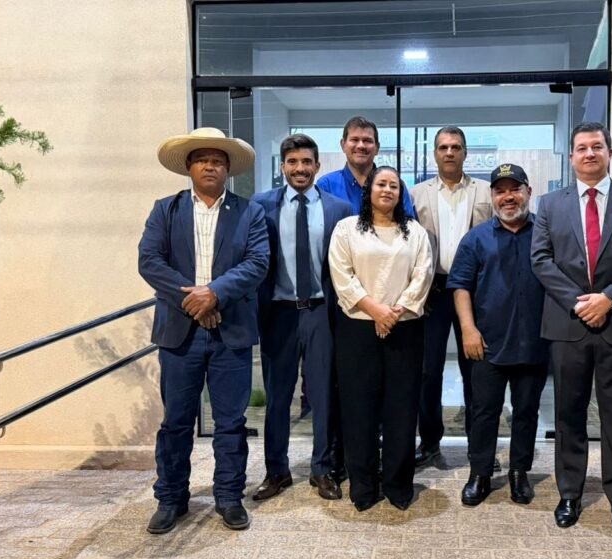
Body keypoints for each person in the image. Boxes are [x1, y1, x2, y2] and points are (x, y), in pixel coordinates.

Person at [531, 122, 612, 536]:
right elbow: (541, 260)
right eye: (582, 148)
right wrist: (580, 303)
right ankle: (570, 493)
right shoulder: (550, 204)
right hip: (568, 325)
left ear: (609, 152)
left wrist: (609, 299)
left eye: (597, 146)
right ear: (571, 157)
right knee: (568, 414)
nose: (590, 153)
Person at [138, 127, 269, 534]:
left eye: (217, 160)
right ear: (189, 167)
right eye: (202, 160)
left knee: (231, 421)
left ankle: (229, 497)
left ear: (227, 169)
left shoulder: (249, 212)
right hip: (179, 335)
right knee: (176, 421)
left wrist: (214, 294)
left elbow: (257, 263)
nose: (210, 166)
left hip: (231, 332)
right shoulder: (166, 210)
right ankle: (171, 498)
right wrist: (194, 302)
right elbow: (149, 261)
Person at [251, 134, 353, 502]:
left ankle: (322, 468)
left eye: (306, 162)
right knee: (278, 396)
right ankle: (276, 470)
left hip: (321, 311)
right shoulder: (260, 206)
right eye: (292, 162)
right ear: (282, 167)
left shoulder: (339, 209)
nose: (300, 168)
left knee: (322, 395)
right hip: (277, 312)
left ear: (317, 166)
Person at [328, 166, 433, 512]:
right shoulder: (347, 229)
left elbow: (423, 274)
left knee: (401, 408)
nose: (387, 190)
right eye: (381, 184)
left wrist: (395, 312)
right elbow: (342, 275)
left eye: (394, 186)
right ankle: (363, 485)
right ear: (369, 190)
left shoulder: (414, 232)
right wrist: (376, 310)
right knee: (358, 408)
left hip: (405, 327)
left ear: (401, 194)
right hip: (358, 328)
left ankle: (398, 484)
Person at [448, 164, 548, 506]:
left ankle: (519, 472)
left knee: (526, 411)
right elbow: (460, 286)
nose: (508, 197)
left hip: (534, 342)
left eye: (514, 189)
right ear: (492, 196)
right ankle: (480, 473)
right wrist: (468, 329)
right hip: (487, 344)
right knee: (484, 411)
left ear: (528, 192)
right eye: (500, 190)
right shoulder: (476, 239)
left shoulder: (546, 234)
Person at [410, 126, 493, 468]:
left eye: (455, 147)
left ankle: (480, 445)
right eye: (443, 147)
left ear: (465, 152)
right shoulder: (416, 194)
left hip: (475, 290)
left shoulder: (485, 191)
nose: (449, 152)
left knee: (476, 370)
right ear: (435, 153)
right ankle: (430, 442)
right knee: (428, 372)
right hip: (432, 290)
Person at [316, 116, 417, 218]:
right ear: (343, 145)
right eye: (354, 140)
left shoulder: (395, 186)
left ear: (377, 148)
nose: (361, 146)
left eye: (367, 141)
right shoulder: (326, 186)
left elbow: (409, 225)